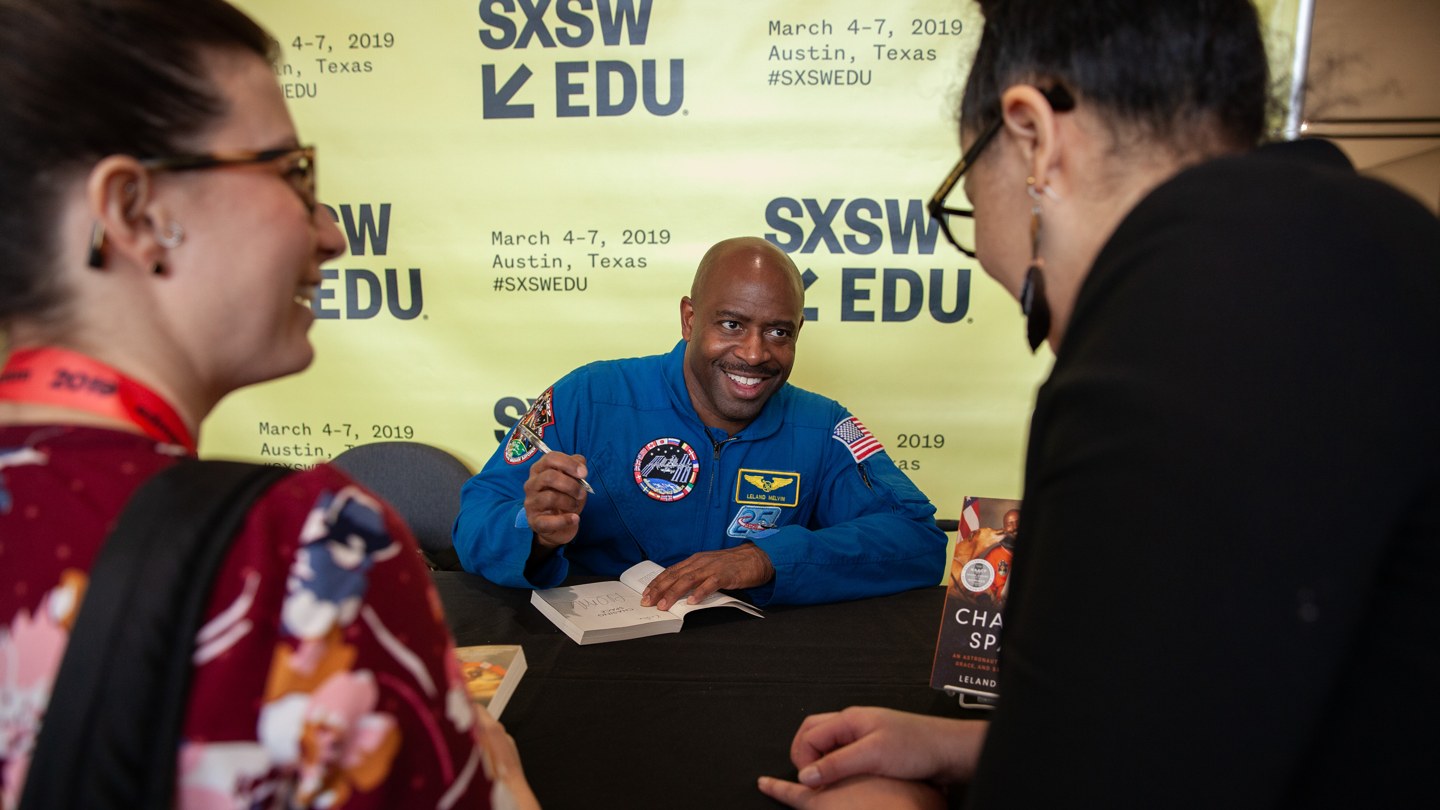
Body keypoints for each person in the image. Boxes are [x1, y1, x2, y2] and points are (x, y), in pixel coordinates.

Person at [760, 0, 1440, 807]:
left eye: (1030, 305)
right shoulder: (1393, 240)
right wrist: (975, 744)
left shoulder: (1173, 330)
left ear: (1033, 136)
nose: (1053, 340)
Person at [0, 1, 536, 807]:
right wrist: (504, 780)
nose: (331, 233)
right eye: (292, 173)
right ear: (137, 212)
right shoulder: (302, 547)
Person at [453, 236, 947, 609]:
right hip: (601, 661)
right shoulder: (588, 397)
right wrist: (533, 531)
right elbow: (476, 517)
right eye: (731, 324)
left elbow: (919, 541)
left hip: (755, 672)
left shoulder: (824, 426)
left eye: (778, 332)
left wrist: (765, 558)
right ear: (690, 319)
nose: (754, 354)